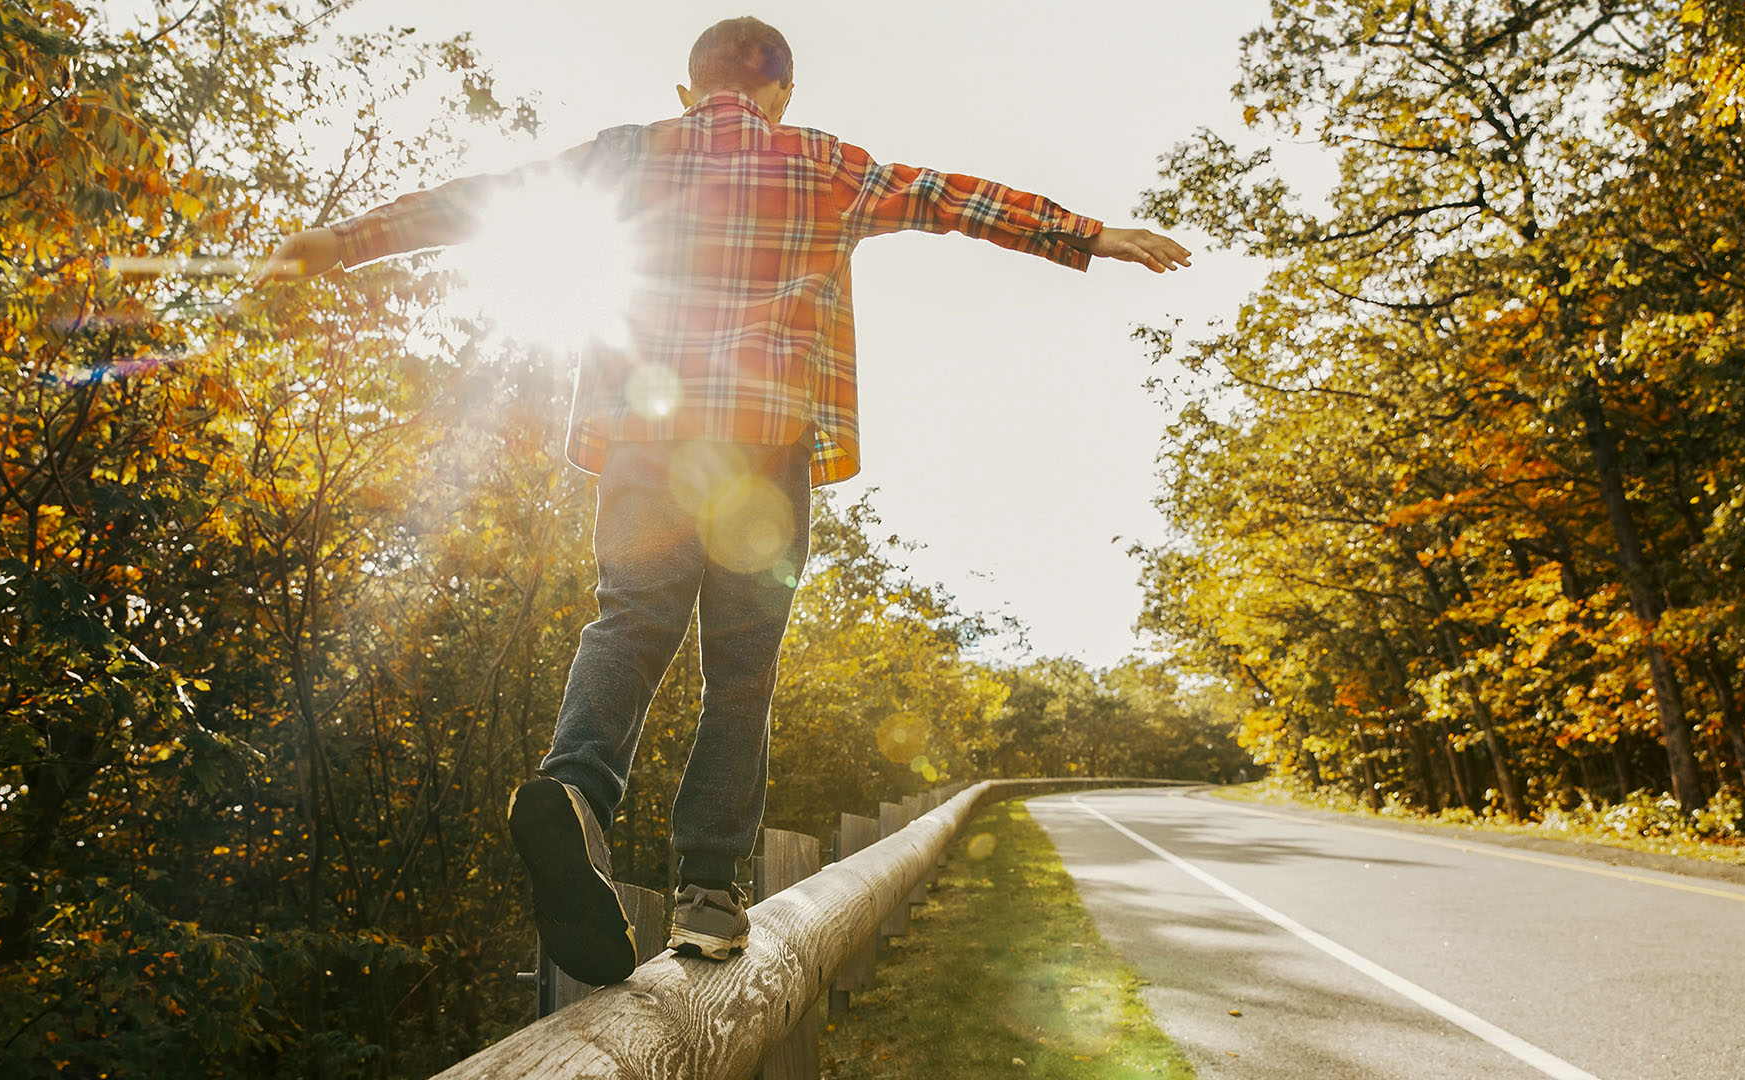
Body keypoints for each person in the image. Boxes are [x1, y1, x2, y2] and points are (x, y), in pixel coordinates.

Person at [260, 15, 1190, 986]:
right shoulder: (822, 161)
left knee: (626, 623)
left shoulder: (630, 152)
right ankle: (708, 895)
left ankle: (575, 794)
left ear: (686, 91)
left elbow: (487, 200)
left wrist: (339, 243)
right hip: (762, 449)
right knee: (740, 670)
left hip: (642, 439)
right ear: (782, 93)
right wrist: (1091, 235)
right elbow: (951, 199)